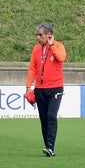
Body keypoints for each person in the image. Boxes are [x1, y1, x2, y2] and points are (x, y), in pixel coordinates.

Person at [25, 22, 66, 157]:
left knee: (51, 116)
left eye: (40, 35)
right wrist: (28, 86)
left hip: (55, 87)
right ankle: (47, 146)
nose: (38, 37)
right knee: (43, 118)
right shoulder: (36, 48)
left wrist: (52, 45)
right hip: (40, 88)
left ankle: (50, 147)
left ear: (49, 35)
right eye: (37, 35)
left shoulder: (58, 46)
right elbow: (32, 68)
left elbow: (61, 58)